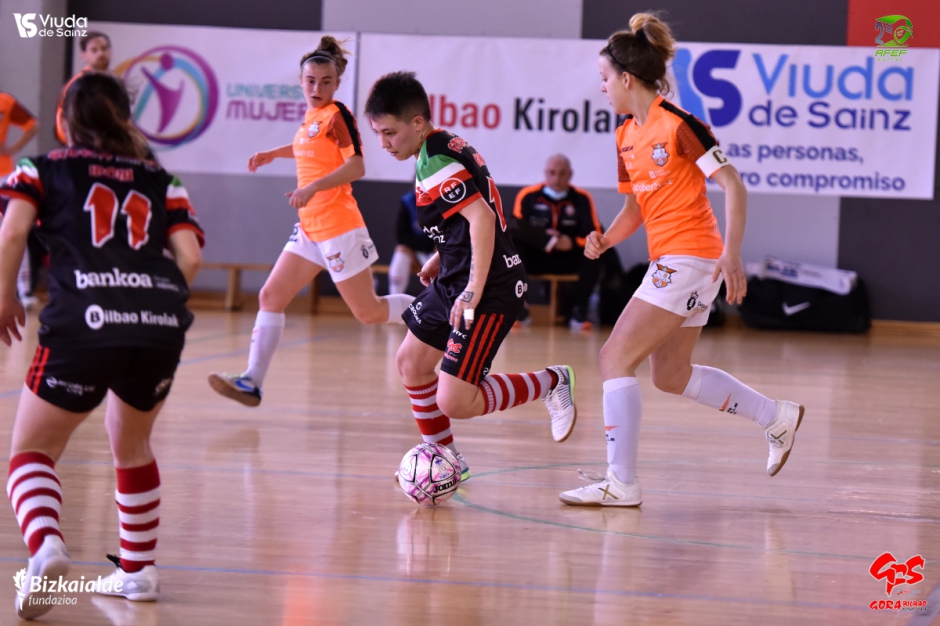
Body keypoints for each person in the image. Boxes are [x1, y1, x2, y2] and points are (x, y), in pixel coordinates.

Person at [559, 14, 804, 507]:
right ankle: (775, 417)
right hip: (674, 260)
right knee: (670, 375)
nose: (602, 87)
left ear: (627, 78)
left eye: (605, 78)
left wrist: (732, 253)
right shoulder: (625, 134)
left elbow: (733, 184)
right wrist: (605, 240)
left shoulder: (680, 125)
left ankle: (621, 483)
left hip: (690, 257)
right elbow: (635, 209)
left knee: (613, 358)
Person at [0, 72, 204, 619]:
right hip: (158, 324)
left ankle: (46, 546)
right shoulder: (162, 178)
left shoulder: (40, 168)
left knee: (31, 453)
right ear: (125, 119)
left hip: (83, 321)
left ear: (64, 120)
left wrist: (4, 297)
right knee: (133, 447)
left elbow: (12, 232)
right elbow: (190, 257)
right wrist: (153, 303)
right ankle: (138, 573)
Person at [365, 72, 577, 481]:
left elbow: (482, 218)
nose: (384, 143)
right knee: (411, 363)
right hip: (456, 277)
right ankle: (447, 462)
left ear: (417, 123)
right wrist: (441, 256)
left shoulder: (435, 159)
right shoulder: (440, 145)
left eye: (389, 133)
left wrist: (473, 290)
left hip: (489, 286)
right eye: (377, 133)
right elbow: (469, 217)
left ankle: (551, 382)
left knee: (456, 401)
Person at [208, 37, 413, 407]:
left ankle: (441, 318)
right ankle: (252, 381)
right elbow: (309, 151)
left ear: (336, 84)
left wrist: (313, 187)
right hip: (309, 228)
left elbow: (356, 166)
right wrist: (274, 153)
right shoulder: (310, 120)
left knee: (369, 312)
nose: (317, 88)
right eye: (311, 81)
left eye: (325, 82)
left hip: (338, 227)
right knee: (270, 296)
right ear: (301, 82)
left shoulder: (338, 116)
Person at [510, 154, 605, 330]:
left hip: (568, 258)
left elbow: (596, 233)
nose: (556, 178)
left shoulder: (582, 198)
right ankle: (520, 307)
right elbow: (516, 227)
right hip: (536, 258)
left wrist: (571, 242)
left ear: (570, 174)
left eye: (562, 173)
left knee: (595, 254)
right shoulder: (528, 195)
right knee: (513, 249)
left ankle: (579, 311)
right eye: (552, 173)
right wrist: (546, 239)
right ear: (545, 173)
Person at [0, 92, 41, 308]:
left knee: (12, 231)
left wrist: (12, 149)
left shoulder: (5, 102)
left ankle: (23, 290)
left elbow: (33, 125)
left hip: (3, 176)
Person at [56, 31, 113, 144]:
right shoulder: (77, 85)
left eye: (104, 48)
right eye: (94, 50)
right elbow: (63, 119)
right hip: (84, 146)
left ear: (110, 51)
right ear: (84, 55)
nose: (100, 54)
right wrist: (73, 146)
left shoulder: (114, 82)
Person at [388, 189, 436, 295]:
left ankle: (442, 298)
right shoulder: (407, 202)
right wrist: (423, 247)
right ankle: (395, 296)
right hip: (417, 250)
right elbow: (402, 236)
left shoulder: (442, 200)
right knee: (401, 250)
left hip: (436, 251)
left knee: (443, 253)